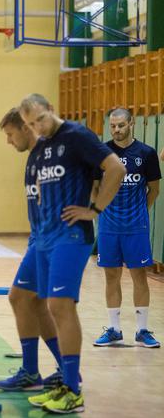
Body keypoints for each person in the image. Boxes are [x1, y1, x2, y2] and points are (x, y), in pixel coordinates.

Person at [20, 94, 125, 414]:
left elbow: (115, 168)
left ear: (50, 109)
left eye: (39, 119)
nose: (37, 127)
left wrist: (94, 209)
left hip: (72, 236)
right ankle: (64, 381)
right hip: (46, 238)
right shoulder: (39, 147)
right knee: (40, 303)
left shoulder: (77, 135)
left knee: (61, 306)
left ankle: (73, 391)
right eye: (30, 124)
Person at [0, 108, 65, 392]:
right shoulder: (33, 158)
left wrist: (91, 209)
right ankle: (38, 370)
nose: (8, 141)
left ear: (26, 128)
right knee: (29, 301)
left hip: (53, 240)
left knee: (35, 301)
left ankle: (57, 372)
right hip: (38, 239)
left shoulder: (53, 154)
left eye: (10, 134)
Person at [93, 108, 161, 348]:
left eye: (121, 125)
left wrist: (140, 212)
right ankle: (114, 329)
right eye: (112, 126)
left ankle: (142, 331)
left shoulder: (147, 153)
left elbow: (154, 189)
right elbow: (95, 187)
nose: (116, 130)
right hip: (109, 227)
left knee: (139, 275)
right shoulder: (102, 152)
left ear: (131, 123)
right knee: (111, 276)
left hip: (136, 227)